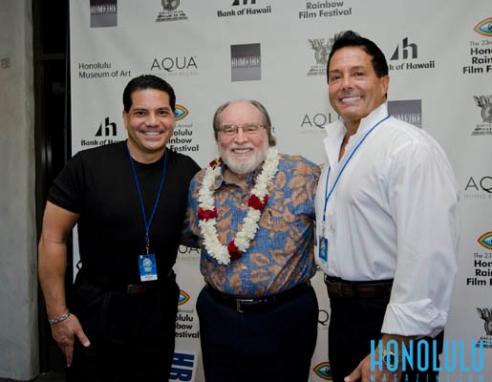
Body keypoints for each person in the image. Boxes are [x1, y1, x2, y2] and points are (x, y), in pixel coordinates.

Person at [315, 31, 460, 382]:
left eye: (358, 74)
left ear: (384, 84)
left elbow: (427, 256)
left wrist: (394, 344)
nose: (346, 84)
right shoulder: (339, 147)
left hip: (394, 323)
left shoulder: (408, 149)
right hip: (346, 314)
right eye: (336, 77)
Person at [38, 74, 200, 381]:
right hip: (97, 305)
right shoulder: (86, 165)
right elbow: (52, 238)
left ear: (173, 117)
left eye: (162, 112)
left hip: (157, 305)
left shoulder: (189, 171)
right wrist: (58, 315)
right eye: (141, 112)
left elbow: (207, 232)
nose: (152, 122)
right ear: (125, 117)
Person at [184, 100, 320, 382]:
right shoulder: (200, 184)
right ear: (217, 138)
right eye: (229, 129)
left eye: (251, 128)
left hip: (286, 318)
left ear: (268, 134)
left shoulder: (303, 175)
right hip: (218, 318)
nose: (240, 138)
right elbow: (193, 237)